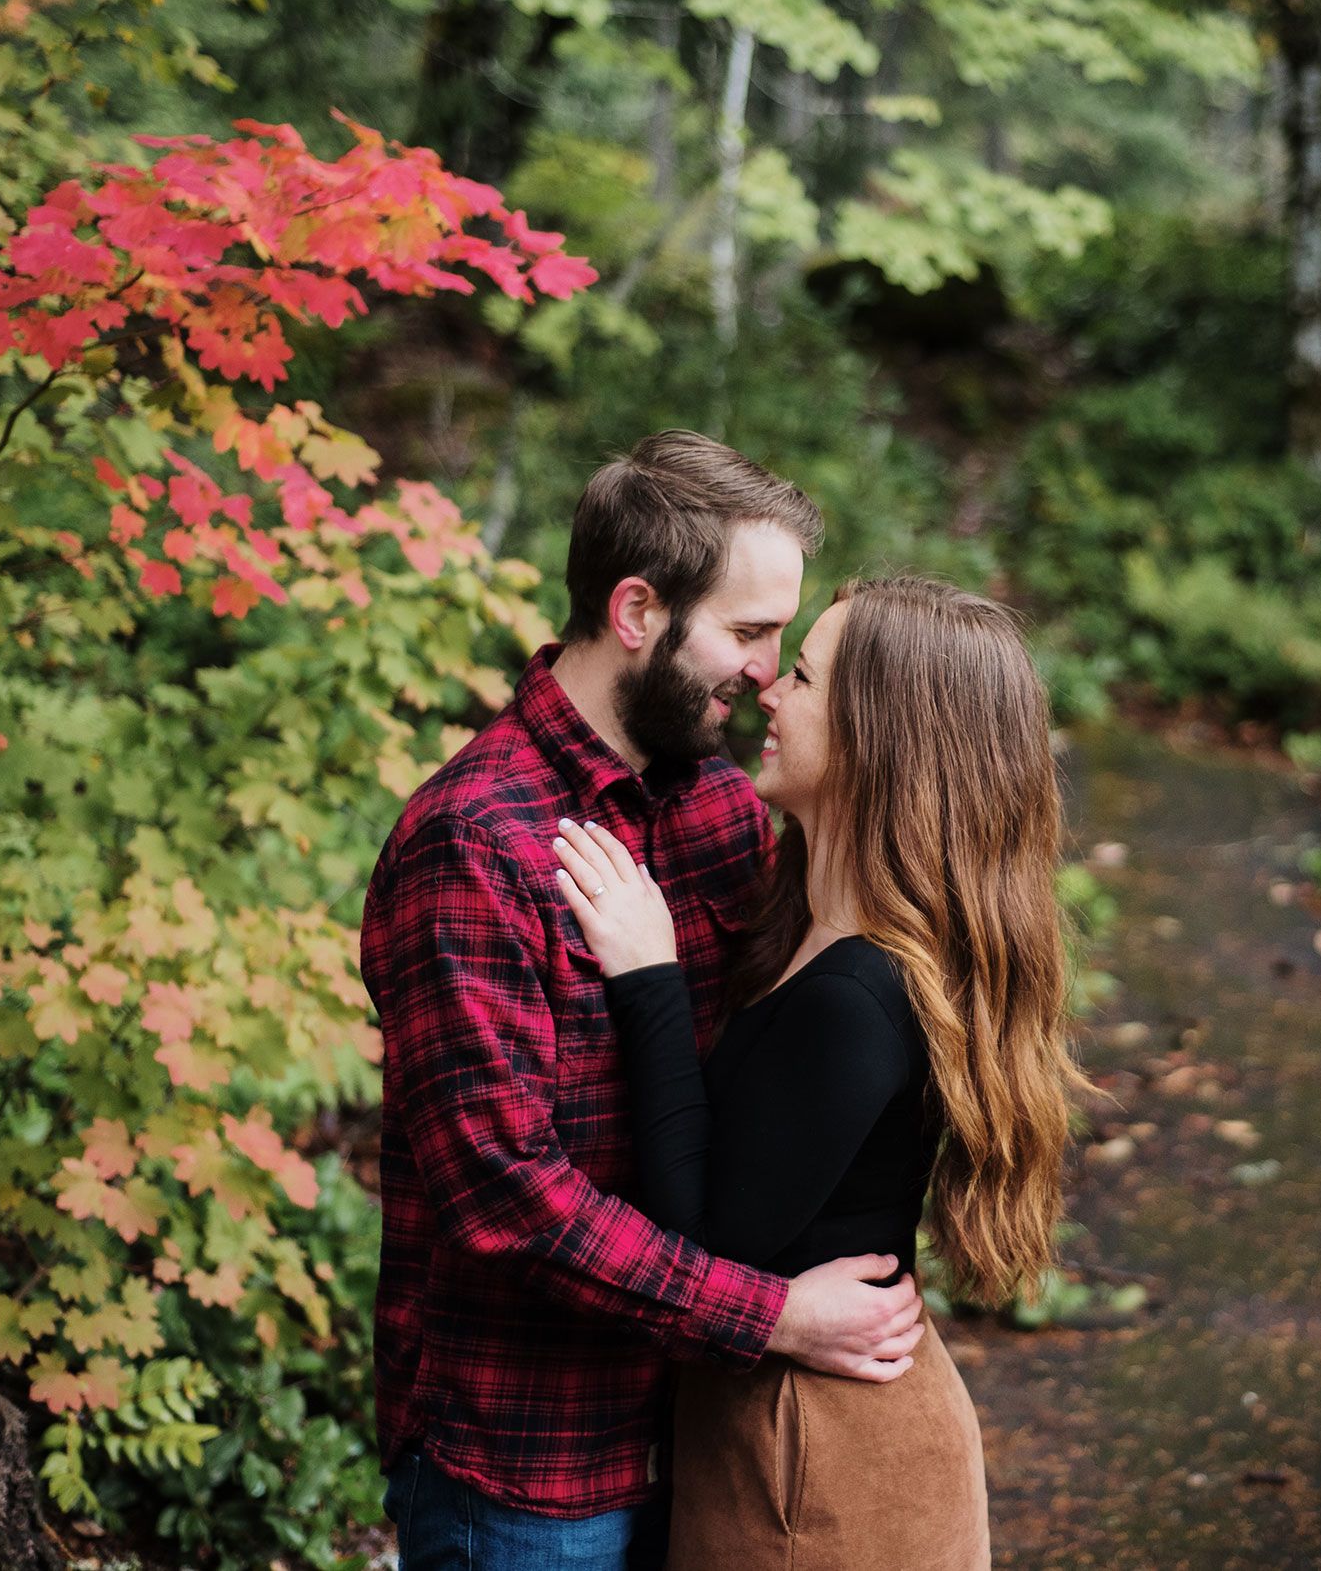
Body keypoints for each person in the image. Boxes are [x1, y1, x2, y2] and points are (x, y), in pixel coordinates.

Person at [361, 433, 927, 1571]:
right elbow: (508, 1198)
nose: (767, 673)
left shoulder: (721, 805)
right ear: (635, 610)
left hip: (708, 1437)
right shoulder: (476, 844)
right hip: (532, 1467)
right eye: (749, 632)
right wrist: (772, 1313)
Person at [548, 576, 1086, 1569]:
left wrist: (649, 980)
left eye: (802, 673)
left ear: (876, 736)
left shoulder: (858, 992)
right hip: (800, 1419)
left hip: (816, 1462)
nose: (768, 688)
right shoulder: (815, 918)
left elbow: (702, 1240)